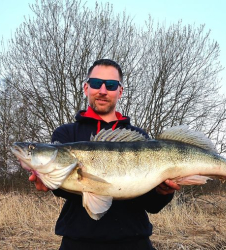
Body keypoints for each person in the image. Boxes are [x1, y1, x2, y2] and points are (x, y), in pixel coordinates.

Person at [29, 59, 180, 250]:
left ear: (120, 91)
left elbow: (152, 205)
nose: (102, 90)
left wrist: (163, 192)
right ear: (86, 88)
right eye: (95, 83)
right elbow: (63, 187)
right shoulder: (66, 135)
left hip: (134, 241)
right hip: (78, 242)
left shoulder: (139, 139)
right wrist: (50, 180)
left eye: (110, 85)